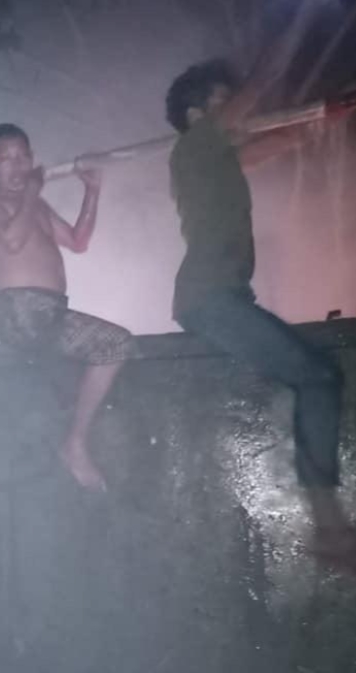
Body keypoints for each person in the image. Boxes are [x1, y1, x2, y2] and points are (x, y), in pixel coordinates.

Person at [165, 1, 355, 566]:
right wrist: (298, 19)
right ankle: (328, 525)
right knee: (317, 378)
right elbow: (266, 78)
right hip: (208, 297)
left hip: (220, 297)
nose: (240, 114)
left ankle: (328, 523)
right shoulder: (194, 146)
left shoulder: (217, 159)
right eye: (225, 104)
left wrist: (329, 113)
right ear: (198, 114)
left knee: (313, 374)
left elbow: (282, 142)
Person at [0, 123, 135, 492]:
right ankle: (74, 444)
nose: (16, 166)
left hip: (50, 311)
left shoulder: (38, 206)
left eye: (22, 157)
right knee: (114, 344)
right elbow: (12, 242)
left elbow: (78, 241)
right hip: (19, 310)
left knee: (108, 348)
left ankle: (68, 442)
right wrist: (32, 191)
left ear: (32, 159)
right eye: (6, 159)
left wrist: (91, 191)